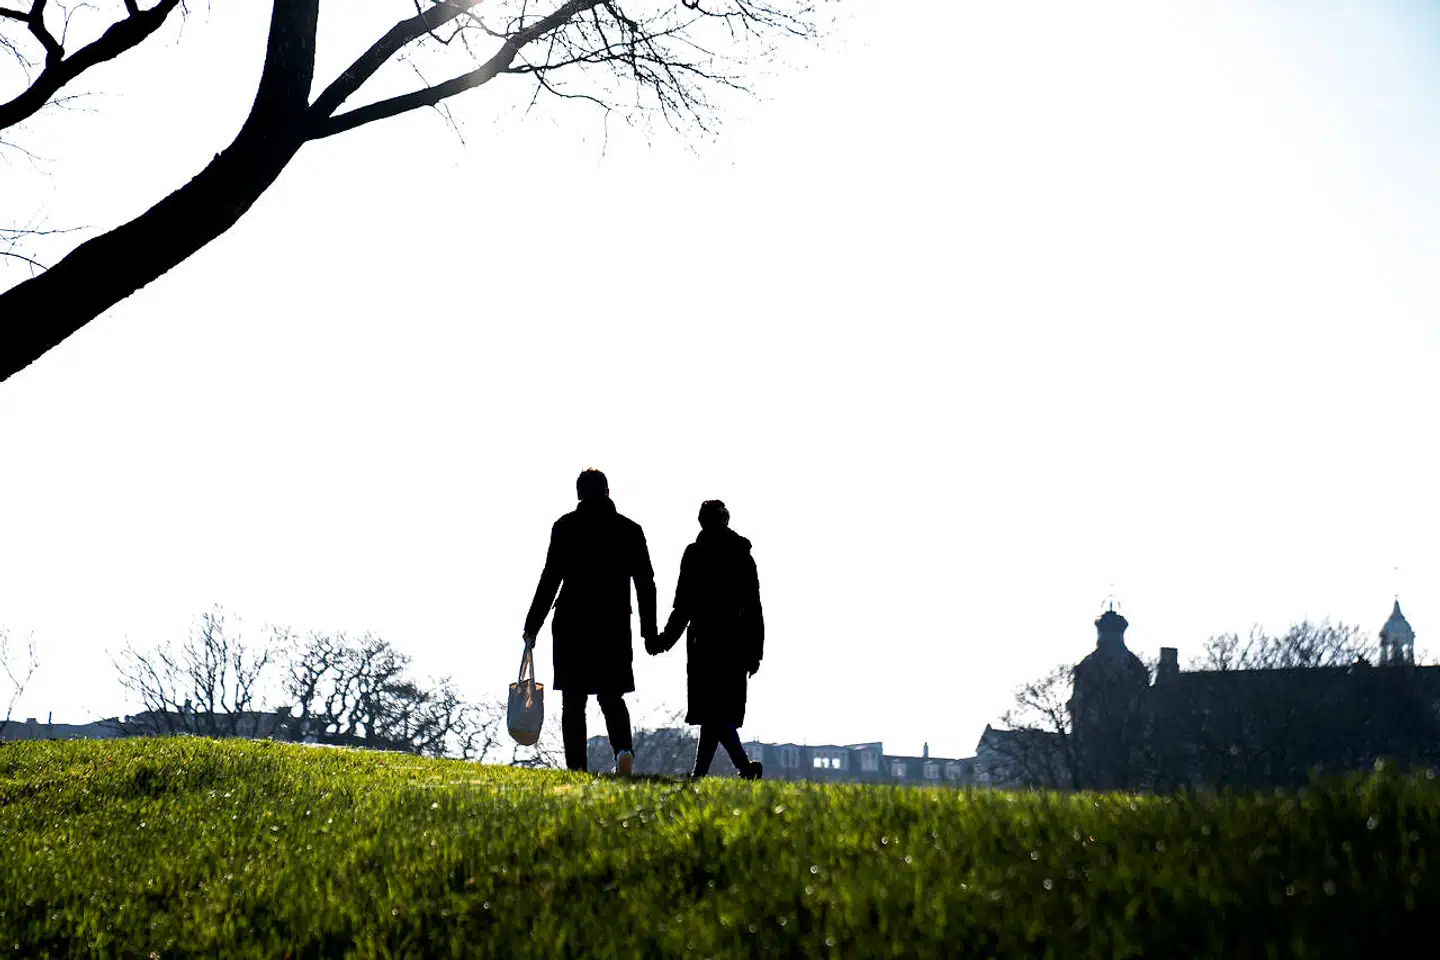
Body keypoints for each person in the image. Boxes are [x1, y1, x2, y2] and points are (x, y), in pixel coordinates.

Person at [523, 469, 657, 775]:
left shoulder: (565, 527)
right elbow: (645, 583)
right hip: (613, 624)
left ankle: (577, 768)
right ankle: (623, 750)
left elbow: (550, 579)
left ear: (579, 494)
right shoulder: (629, 530)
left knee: (573, 701)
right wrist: (648, 631)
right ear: (608, 491)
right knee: (611, 695)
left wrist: (532, 625)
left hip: (573, 623)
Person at [649, 499, 764, 780]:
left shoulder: (696, 554)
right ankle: (703, 775)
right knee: (716, 715)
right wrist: (755, 650)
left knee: (715, 715)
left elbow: (683, 606)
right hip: (735, 645)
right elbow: (754, 608)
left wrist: (664, 640)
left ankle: (743, 768)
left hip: (705, 645)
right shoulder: (741, 555)